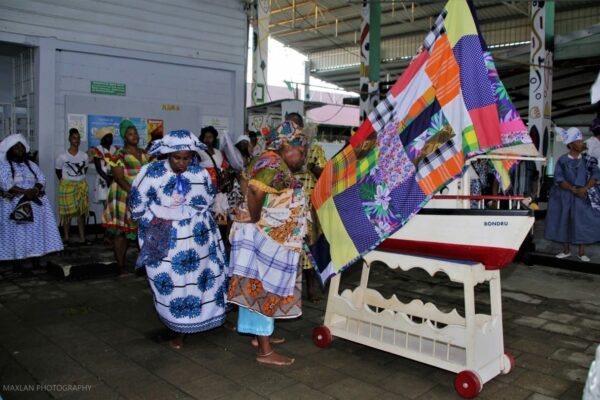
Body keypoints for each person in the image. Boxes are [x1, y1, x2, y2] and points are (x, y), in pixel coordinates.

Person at [129, 130, 228, 349]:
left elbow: (208, 199)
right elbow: (136, 204)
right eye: (177, 158)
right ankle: (176, 326)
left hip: (196, 240)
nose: (182, 163)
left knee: (196, 282)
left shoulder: (199, 174)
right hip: (166, 238)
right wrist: (154, 222)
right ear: (167, 153)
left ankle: (194, 324)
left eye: (187, 158)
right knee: (172, 283)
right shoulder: (150, 172)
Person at [228, 121, 308, 366]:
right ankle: (264, 352)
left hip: (262, 236)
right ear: (285, 145)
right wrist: (254, 216)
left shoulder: (265, 159)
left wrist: (254, 214)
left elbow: (244, 181)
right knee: (265, 288)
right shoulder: (273, 162)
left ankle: (260, 337)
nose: (303, 156)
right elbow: (253, 190)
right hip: (266, 239)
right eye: (300, 150)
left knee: (257, 285)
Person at [0, 134, 63, 270]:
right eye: (16, 147)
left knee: (36, 232)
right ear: (10, 149)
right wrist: (24, 192)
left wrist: (34, 189)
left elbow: (41, 179)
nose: (20, 149)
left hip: (35, 204)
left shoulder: (32, 165)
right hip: (14, 204)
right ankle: (18, 263)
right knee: (18, 233)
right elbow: (6, 184)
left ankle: (36, 259)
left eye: (22, 147)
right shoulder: (4, 166)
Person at [101, 119, 150, 274]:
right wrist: (133, 192)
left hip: (140, 197)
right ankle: (120, 266)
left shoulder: (145, 154)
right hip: (123, 195)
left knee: (140, 232)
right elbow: (119, 178)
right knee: (121, 233)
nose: (134, 136)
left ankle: (142, 264)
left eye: (135, 133)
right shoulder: (119, 154)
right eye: (130, 134)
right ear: (124, 137)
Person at [545, 127, 600, 262]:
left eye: (581, 141)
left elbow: (595, 175)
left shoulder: (588, 160)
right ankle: (566, 250)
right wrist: (573, 189)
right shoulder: (562, 160)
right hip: (565, 196)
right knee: (565, 221)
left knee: (582, 222)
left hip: (582, 196)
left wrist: (585, 188)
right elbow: (559, 178)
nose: (582, 143)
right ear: (570, 144)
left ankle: (582, 252)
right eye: (579, 141)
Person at [55, 128, 90, 245]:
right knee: (67, 214)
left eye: (78, 138)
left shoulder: (84, 156)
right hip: (67, 187)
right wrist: (67, 182)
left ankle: (82, 238)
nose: (76, 140)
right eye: (74, 138)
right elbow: (58, 171)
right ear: (70, 139)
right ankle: (66, 238)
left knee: (81, 213)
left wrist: (77, 180)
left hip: (80, 186)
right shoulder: (62, 157)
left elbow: (85, 169)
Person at [89, 132, 116, 208]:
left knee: (113, 205)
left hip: (113, 179)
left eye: (111, 137)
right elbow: (98, 168)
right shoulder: (97, 149)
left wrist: (113, 179)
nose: (111, 139)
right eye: (108, 137)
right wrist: (108, 180)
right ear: (103, 138)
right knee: (106, 205)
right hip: (103, 178)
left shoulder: (114, 149)